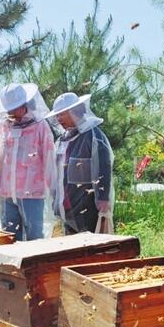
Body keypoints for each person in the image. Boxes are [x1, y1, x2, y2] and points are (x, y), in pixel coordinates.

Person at [0, 83, 56, 241]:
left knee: (35, 237)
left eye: (15, 108)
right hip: (6, 192)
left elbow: (49, 158)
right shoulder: (2, 126)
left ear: (24, 104)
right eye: (9, 109)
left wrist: (54, 190)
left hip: (32, 192)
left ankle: (35, 267)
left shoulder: (40, 126)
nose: (12, 113)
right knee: (9, 237)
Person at [47, 92, 114, 234]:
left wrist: (103, 199)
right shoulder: (63, 139)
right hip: (67, 204)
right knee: (70, 249)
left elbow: (104, 167)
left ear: (74, 111)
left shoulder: (93, 135)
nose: (58, 119)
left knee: (88, 248)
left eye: (61, 114)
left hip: (87, 206)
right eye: (57, 115)